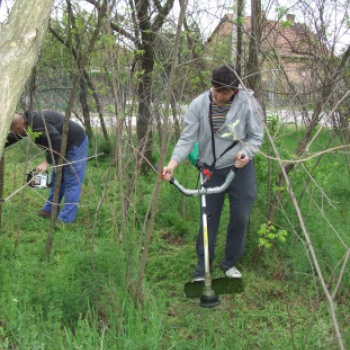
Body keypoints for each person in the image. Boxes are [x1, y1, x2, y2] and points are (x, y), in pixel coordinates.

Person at [162, 65, 264, 280]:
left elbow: (256, 137)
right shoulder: (199, 104)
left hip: (239, 169)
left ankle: (229, 264)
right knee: (208, 220)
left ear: (235, 90)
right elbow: (187, 138)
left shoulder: (248, 104)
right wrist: (172, 164)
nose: (219, 96)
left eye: (225, 93)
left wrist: (246, 153)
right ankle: (202, 267)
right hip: (210, 170)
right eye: (216, 90)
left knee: (240, 217)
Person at [6, 110, 88, 223]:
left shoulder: (39, 124)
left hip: (75, 143)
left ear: (19, 126)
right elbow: (14, 137)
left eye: (13, 131)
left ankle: (66, 219)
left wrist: (46, 162)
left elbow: (57, 141)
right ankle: (49, 210)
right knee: (58, 179)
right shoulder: (27, 123)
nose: (14, 133)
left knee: (72, 181)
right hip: (59, 147)